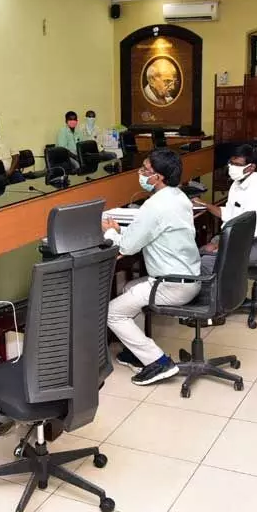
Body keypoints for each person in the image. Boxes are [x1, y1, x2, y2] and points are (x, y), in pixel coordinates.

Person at [102, 148, 201, 385]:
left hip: (171, 285)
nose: (141, 173)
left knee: (111, 313)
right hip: (189, 278)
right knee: (128, 289)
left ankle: (158, 362)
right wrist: (121, 232)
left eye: (146, 170)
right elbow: (150, 233)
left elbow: (126, 248)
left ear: (158, 177)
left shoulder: (154, 206)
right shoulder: (179, 197)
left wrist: (110, 232)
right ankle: (136, 353)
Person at [194, 145, 257, 274]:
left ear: (251, 167)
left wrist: (219, 245)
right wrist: (205, 205)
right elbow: (229, 213)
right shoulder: (238, 182)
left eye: (237, 165)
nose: (232, 168)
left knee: (207, 263)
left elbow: (251, 231)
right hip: (236, 236)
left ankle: (216, 294)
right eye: (231, 163)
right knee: (198, 253)